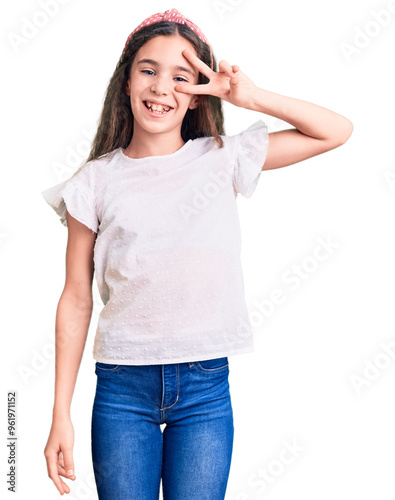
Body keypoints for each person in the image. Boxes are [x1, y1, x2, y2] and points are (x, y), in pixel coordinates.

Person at [41, 8, 353, 499]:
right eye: (148, 70)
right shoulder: (94, 182)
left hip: (204, 388)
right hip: (123, 391)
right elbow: (76, 299)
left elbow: (335, 130)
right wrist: (60, 413)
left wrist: (250, 97)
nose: (162, 87)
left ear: (197, 94)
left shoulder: (222, 158)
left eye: (181, 77)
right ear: (126, 82)